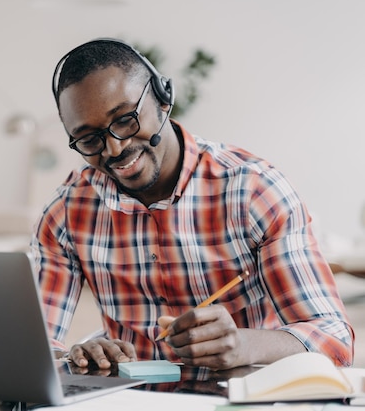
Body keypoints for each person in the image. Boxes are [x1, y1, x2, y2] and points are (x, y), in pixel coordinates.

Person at [30, 38, 354, 371]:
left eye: (126, 119)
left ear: (162, 97)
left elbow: (334, 341)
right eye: (89, 139)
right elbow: (31, 350)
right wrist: (76, 356)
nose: (114, 149)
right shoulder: (65, 212)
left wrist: (244, 344)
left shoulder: (254, 190)